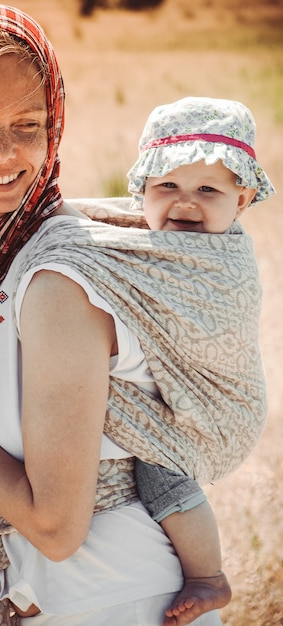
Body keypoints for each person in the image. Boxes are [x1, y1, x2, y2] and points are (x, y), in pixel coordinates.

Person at [0, 7, 272, 626]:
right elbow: (13, 442)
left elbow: (56, 527)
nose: (3, 151)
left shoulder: (56, 277)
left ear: (53, 129)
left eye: (27, 124)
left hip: (113, 600)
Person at [124, 96, 275, 624]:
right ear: (141, 190)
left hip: (220, 407)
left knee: (160, 472)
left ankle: (209, 576)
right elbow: (111, 228)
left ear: (243, 198)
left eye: (207, 190)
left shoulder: (215, 261)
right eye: (167, 187)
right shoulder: (155, 236)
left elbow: (105, 252)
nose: (185, 204)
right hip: (183, 396)